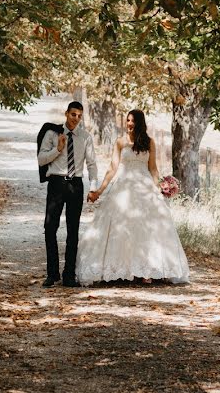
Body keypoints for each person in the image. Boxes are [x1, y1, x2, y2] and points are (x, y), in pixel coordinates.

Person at [76, 109, 190, 286]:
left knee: (147, 227)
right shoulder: (120, 142)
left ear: (139, 123)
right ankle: (122, 269)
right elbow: (112, 169)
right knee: (121, 226)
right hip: (123, 186)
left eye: (133, 121)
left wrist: (160, 186)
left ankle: (147, 270)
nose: (129, 124)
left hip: (144, 186)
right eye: (128, 120)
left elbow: (152, 168)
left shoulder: (149, 142)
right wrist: (99, 190)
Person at [37, 101, 98, 287]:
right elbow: (41, 160)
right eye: (73, 115)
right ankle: (52, 273)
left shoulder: (86, 137)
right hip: (56, 183)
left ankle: (69, 275)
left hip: (75, 185)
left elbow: (92, 164)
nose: (76, 119)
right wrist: (58, 149)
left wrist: (93, 187)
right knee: (50, 228)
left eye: (79, 116)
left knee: (73, 231)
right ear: (66, 114)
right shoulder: (52, 134)